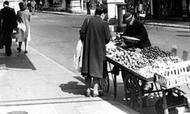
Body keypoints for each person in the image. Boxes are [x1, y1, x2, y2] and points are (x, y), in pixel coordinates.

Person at [79, 5, 111, 97]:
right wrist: (101, 41)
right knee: (97, 70)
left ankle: (88, 89)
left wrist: (88, 39)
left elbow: (82, 34)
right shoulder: (104, 23)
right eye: (105, 14)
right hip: (99, 50)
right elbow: (107, 38)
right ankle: (96, 90)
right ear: (103, 14)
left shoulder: (87, 20)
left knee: (88, 70)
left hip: (88, 49)